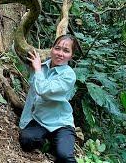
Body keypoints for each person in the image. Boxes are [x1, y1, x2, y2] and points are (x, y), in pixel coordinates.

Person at [19, 34, 78, 163]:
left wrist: (38, 70)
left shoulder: (69, 75)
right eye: (57, 48)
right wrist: (24, 122)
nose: (60, 54)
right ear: (52, 49)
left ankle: (58, 143)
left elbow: (42, 90)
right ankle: (49, 142)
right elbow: (32, 95)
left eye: (66, 51)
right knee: (26, 140)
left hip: (61, 123)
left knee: (64, 157)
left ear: (71, 56)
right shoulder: (41, 66)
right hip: (40, 120)